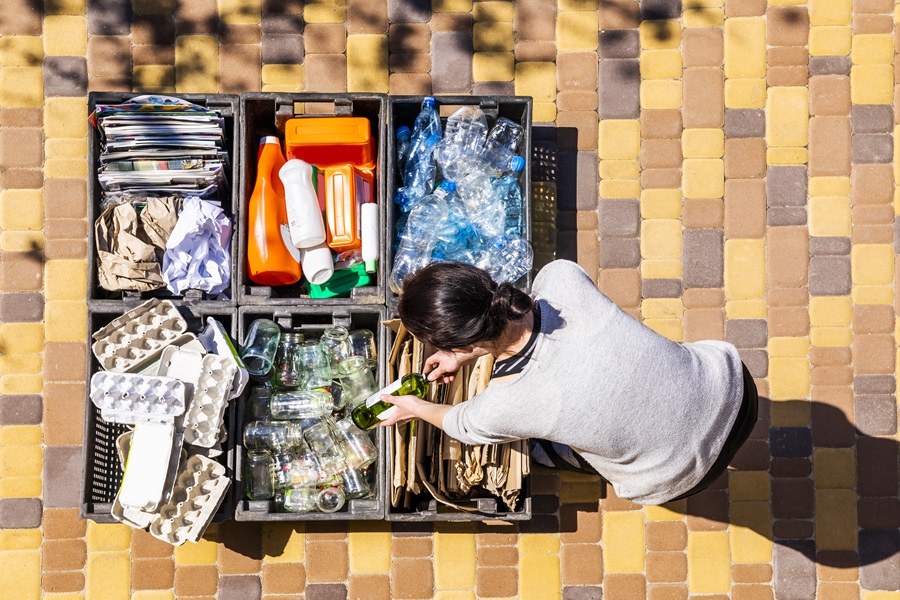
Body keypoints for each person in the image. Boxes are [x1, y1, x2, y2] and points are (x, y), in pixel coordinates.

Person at [379, 260, 758, 505]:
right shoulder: (561, 278)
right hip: (731, 385)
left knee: (539, 446)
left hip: (679, 474)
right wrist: (464, 351)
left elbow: (461, 425)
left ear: (461, 339)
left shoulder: (506, 403)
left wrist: (414, 406)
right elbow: (518, 324)